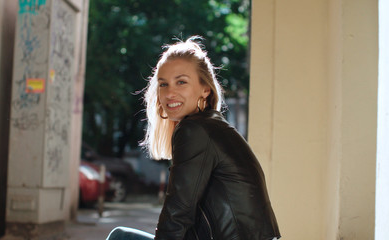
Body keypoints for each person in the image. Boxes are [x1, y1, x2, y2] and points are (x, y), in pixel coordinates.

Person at [106, 36, 280, 240]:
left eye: (181, 82)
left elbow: (178, 213)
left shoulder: (195, 130)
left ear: (205, 89)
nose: (170, 93)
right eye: (163, 84)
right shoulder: (213, 127)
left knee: (121, 238)